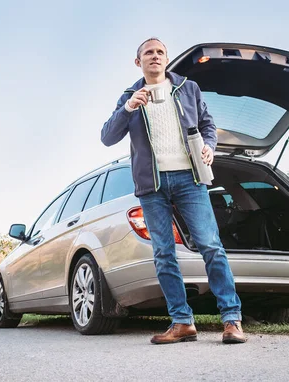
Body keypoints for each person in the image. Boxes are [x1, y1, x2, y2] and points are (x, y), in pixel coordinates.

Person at [101, 37, 246, 344]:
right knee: (164, 254)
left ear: (166, 59)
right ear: (138, 62)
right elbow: (108, 137)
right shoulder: (129, 96)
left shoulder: (188, 89)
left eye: (159, 52)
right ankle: (182, 322)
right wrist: (128, 108)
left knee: (211, 246)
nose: (154, 56)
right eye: (148, 53)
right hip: (152, 186)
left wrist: (209, 146)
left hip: (190, 179)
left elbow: (208, 124)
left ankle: (232, 320)